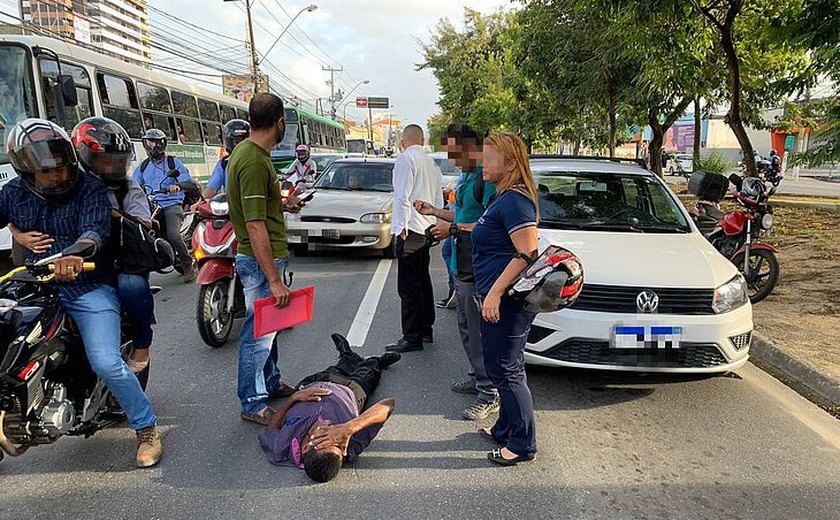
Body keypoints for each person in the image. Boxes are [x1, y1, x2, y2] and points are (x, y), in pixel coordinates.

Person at [0, 119, 163, 468]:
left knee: (106, 361)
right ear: (26, 171)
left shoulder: (88, 186)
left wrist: (77, 253)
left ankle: (146, 428)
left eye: (62, 169)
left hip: (86, 286)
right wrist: (17, 231)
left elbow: (95, 229)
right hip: (31, 285)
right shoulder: (13, 192)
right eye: (48, 173)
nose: (57, 177)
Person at [227, 93, 305, 426]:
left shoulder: (248, 153)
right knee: (258, 336)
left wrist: (284, 206)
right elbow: (255, 225)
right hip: (261, 261)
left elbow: (255, 211)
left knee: (269, 329)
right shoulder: (255, 161)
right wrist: (273, 279)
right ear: (279, 122)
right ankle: (253, 400)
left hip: (261, 257)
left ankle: (270, 383)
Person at [415, 123, 499, 421]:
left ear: (471, 147)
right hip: (460, 266)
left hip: (478, 267)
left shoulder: (486, 178)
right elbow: (463, 215)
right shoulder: (466, 177)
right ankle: (478, 377)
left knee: (478, 332)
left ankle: (490, 392)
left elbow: (490, 225)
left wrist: (450, 228)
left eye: (455, 152)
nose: (451, 159)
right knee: (465, 328)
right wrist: (434, 212)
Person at [471, 132, 540, 466]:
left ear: (511, 162)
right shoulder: (502, 197)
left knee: (506, 370)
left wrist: (495, 293)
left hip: (508, 299)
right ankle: (505, 428)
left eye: (490, 156)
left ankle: (523, 443)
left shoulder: (516, 200)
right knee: (503, 366)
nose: (484, 162)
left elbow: (527, 252)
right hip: (496, 295)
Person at [69, 117, 156, 381]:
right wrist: (19, 233)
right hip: (72, 263)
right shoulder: (69, 187)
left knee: (132, 285)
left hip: (121, 260)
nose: (113, 167)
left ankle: (142, 344)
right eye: (105, 161)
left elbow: (144, 222)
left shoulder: (128, 187)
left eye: (118, 161)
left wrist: (110, 215)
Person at [259, 333, 401, 482]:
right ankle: (378, 361)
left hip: (315, 383)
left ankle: (346, 353)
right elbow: (388, 404)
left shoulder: (280, 448)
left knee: (341, 366)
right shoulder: (350, 445)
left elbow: (271, 427)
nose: (335, 434)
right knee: (368, 370)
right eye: (338, 442)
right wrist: (348, 428)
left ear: (307, 447)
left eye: (328, 438)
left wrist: (293, 398)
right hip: (350, 391)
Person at [386, 124, 443, 353]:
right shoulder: (431, 163)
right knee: (422, 280)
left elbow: (402, 196)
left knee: (408, 285)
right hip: (427, 227)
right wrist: (436, 224)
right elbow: (438, 199)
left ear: (403, 140)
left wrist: (400, 227)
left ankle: (411, 337)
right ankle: (425, 329)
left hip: (411, 228)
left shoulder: (405, 159)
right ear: (422, 139)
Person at [132, 128, 196, 281]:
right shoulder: (143, 167)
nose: (154, 146)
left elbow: (190, 182)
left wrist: (177, 187)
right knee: (135, 233)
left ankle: (188, 265)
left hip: (171, 204)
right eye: (151, 143)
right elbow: (133, 184)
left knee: (173, 235)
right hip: (151, 206)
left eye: (158, 143)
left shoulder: (173, 162)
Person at [203, 119, 251, 200]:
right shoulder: (224, 163)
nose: (238, 145)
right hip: (233, 207)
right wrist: (201, 203)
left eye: (241, 142)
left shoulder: (257, 159)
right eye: (235, 141)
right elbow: (211, 190)